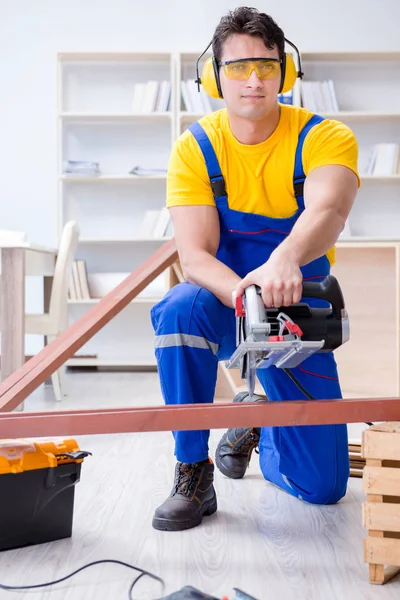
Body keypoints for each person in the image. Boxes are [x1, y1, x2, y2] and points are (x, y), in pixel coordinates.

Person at [150, 6, 359, 531]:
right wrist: (246, 293)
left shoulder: (325, 137)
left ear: (284, 73)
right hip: (226, 303)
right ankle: (193, 471)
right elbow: (195, 256)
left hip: (295, 315)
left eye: (267, 66)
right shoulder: (195, 148)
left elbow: (329, 210)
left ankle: (256, 422)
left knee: (325, 489)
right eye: (239, 67)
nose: (253, 80)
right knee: (178, 309)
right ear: (213, 77)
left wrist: (285, 259)